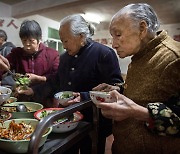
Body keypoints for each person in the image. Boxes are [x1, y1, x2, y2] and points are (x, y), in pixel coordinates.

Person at [19, 14, 123, 154]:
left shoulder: (103, 54)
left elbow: (115, 89)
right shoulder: (64, 57)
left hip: (94, 122)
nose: (64, 45)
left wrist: (84, 96)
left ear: (80, 36)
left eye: (66, 41)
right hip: (67, 120)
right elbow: (56, 82)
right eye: (62, 41)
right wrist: (34, 91)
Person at [93, 3, 180, 154]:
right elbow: (149, 91)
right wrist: (119, 88)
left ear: (142, 29)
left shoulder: (174, 57)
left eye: (118, 35)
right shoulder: (141, 54)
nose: (113, 44)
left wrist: (137, 112)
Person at [0, 20, 59, 87]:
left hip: (45, 95)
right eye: (24, 40)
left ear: (39, 39)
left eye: (31, 41)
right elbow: (3, 67)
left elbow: (56, 77)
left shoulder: (52, 54)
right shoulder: (16, 54)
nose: (27, 44)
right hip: (22, 94)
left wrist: (39, 78)